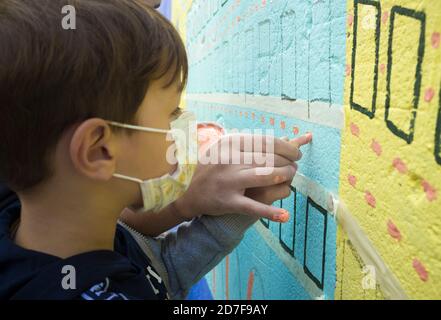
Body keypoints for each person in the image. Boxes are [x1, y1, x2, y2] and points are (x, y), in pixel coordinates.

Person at [0, 0, 311, 300]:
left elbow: (157, 275)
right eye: (172, 113)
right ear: (99, 151)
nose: (184, 128)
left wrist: (231, 216)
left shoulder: (39, 227)